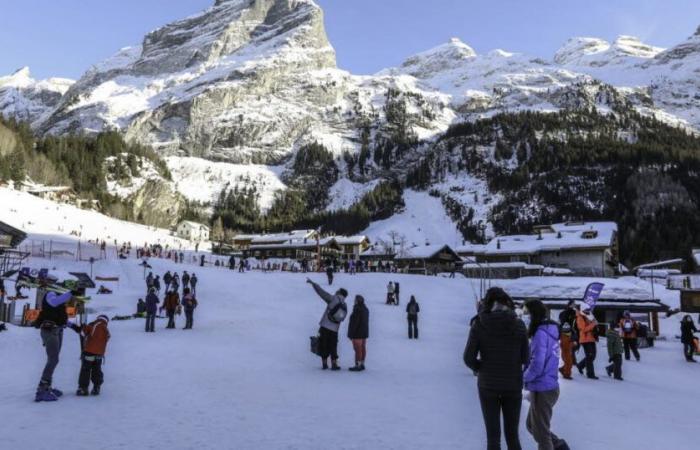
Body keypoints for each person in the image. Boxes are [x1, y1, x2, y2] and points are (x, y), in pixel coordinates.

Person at [464, 287, 529, 450]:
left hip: (488, 385)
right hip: (513, 384)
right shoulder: (519, 325)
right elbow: (526, 358)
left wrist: (482, 368)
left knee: (493, 438)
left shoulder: (479, 324)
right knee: (512, 435)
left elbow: (468, 358)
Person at [523, 300, 565, 450]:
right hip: (545, 386)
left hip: (544, 389)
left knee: (542, 434)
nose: (524, 316)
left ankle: (557, 446)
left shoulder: (541, 333)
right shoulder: (548, 330)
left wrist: (523, 378)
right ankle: (560, 446)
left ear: (534, 314)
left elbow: (537, 365)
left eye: (526, 312)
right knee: (531, 426)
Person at [33, 275, 75, 402]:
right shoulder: (50, 294)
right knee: (53, 359)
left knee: (54, 359)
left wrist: (74, 326)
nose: (57, 285)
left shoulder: (58, 297)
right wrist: (70, 293)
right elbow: (54, 302)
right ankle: (42, 390)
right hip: (50, 331)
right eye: (55, 282)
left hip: (57, 330)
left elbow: (59, 317)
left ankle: (47, 386)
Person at [307, 278, 348, 370]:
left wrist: (313, 283)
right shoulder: (345, 305)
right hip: (335, 329)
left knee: (323, 344)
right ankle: (334, 364)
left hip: (325, 326)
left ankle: (325, 364)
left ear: (339, 292)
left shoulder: (333, 298)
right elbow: (343, 318)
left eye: (338, 290)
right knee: (333, 345)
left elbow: (322, 293)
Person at [75, 315, 110, 396]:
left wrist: (83, 327)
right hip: (99, 354)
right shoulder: (105, 329)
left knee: (85, 370)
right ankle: (96, 387)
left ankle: (83, 388)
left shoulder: (93, 324)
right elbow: (108, 337)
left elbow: (83, 333)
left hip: (88, 352)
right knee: (97, 370)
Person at [347, 295, 369, 371]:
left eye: (355, 299)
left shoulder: (357, 309)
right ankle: (362, 363)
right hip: (364, 333)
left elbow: (354, 323)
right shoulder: (365, 309)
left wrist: (350, 334)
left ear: (357, 301)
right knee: (362, 348)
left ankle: (358, 365)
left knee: (358, 349)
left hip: (357, 333)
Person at [575, 306, 599, 379]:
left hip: (591, 338)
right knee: (590, 356)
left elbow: (594, 325)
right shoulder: (580, 317)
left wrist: (595, 323)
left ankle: (580, 365)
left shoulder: (589, 316)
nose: (588, 310)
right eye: (586, 309)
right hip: (585, 339)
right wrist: (593, 324)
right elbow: (583, 329)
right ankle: (590, 374)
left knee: (593, 356)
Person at [557, 300, 577, 380]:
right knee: (567, 356)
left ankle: (563, 369)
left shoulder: (573, 313)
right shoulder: (565, 313)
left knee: (568, 354)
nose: (574, 306)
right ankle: (566, 373)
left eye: (574, 304)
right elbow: (564, 323)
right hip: (565, 334)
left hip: (569, 334)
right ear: (569, 305)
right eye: (572, 304)